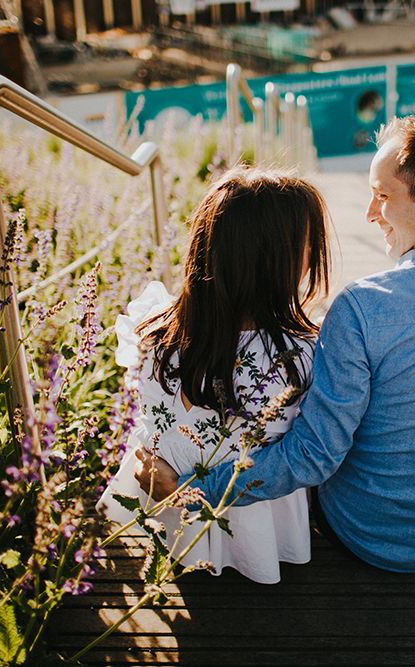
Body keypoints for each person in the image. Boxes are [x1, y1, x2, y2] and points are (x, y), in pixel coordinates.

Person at [133, 115, 415, 574]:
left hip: (359, 531)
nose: (369, 213)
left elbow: (314, 457)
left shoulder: (361, 307)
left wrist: (189, 488)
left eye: (382, 195)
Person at [97, 167, 332, 584]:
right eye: (308, 245)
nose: (313, 256)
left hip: (163, 507)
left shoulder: (153, 328)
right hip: (257, 527)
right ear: (276, 263)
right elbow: (312, 449)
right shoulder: (301, 355)